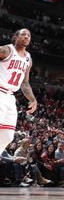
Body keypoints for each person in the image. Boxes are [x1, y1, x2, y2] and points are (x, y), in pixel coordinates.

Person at [0, 28, 37, 156]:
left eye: (29, 35)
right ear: (16, 37)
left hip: (10, 97)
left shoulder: (28, 58)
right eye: (23, 34)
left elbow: (25, 83)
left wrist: (33, 99)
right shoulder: (6, 50)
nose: (27, 37)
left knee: (8, 136)